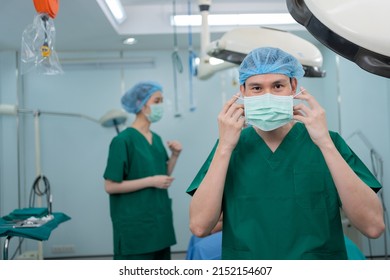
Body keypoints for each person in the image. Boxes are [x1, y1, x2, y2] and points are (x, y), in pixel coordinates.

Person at [187, 47, 385, 260]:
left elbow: (373, 226)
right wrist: (225, 147)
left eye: (278, 86)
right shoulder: (229, 147)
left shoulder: (328, 142)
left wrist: (325, 143)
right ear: (243, 92)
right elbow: (199, 226)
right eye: (256, 88)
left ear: (293, 87)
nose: (268, 96)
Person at [103, 81, 182, 260]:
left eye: (162, 101)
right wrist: (151, 181)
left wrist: (175, 155)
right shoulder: (123, 141)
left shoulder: (156, 138)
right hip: (135, 229)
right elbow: (110, 186)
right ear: (141, 103)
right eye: (157, 101)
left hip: (160, 225)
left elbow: (163, 177)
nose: (161, 105)